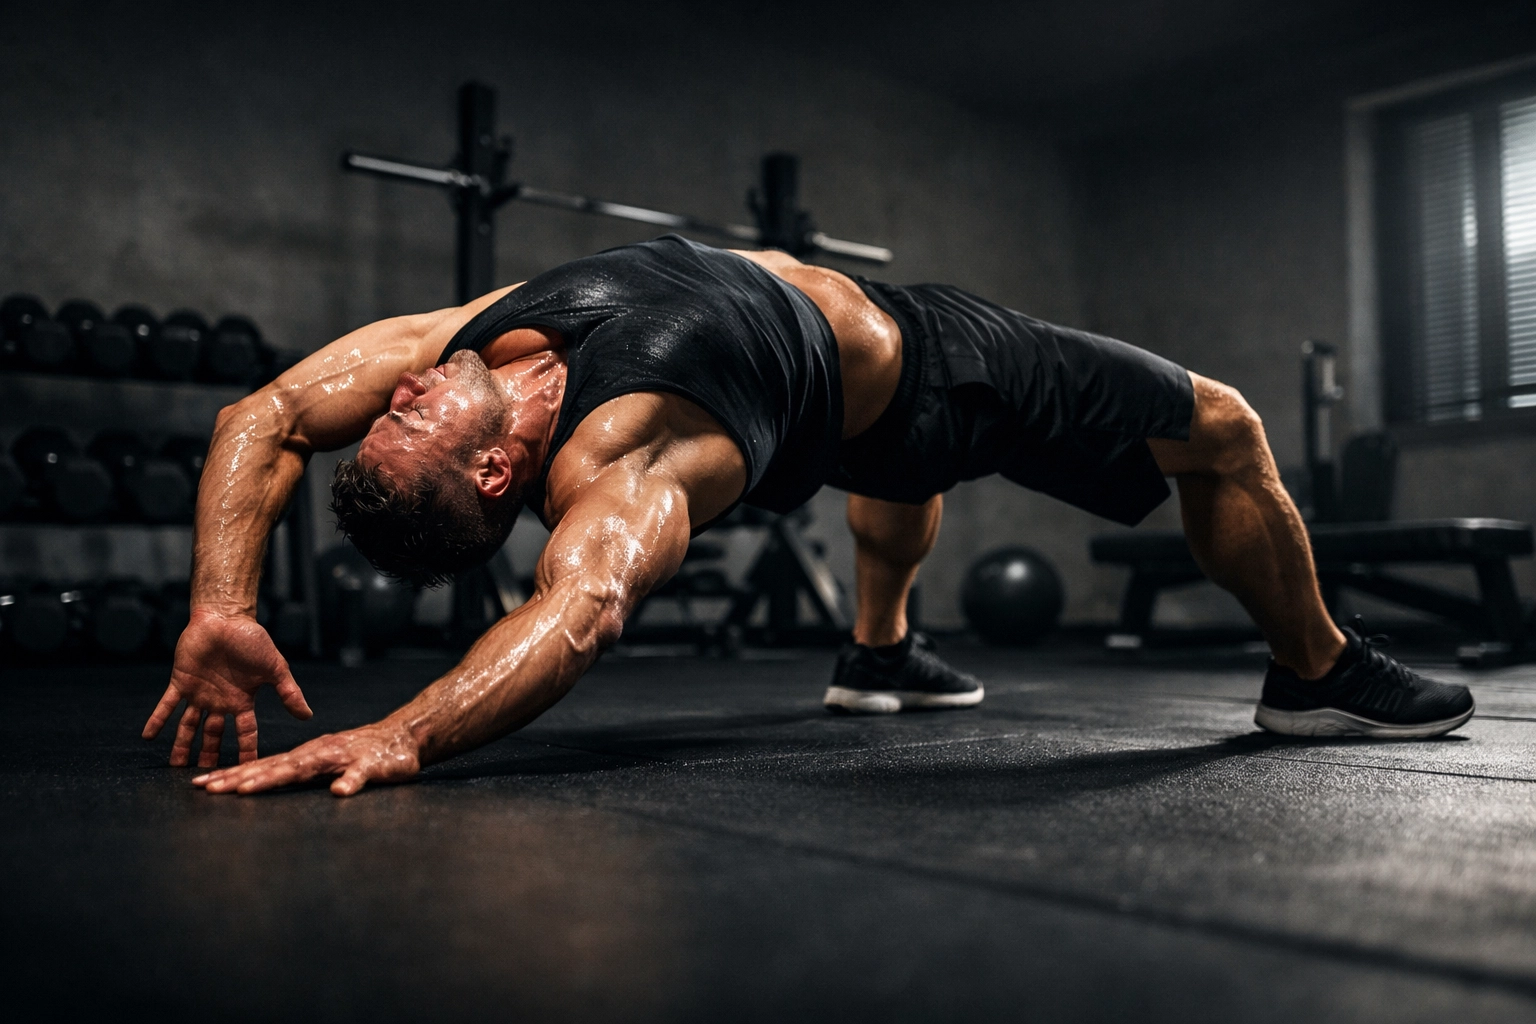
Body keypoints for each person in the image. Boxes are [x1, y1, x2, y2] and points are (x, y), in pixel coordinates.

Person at [147, 235, 1474, 797]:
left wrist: (223, 609)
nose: (403, 391)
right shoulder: (623, 455)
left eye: (389, 412)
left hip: (851, 404)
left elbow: (257, 419)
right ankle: (1317, 673)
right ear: (496, 480)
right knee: (1228, 432)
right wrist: (404, 735)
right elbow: (583, 605)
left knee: (889, 481)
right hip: (935, 364)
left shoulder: (464, 345)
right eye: (406, 422)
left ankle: (878, 650)